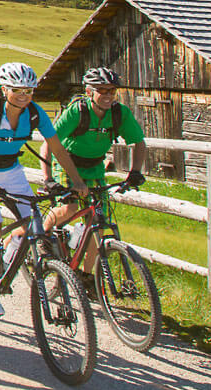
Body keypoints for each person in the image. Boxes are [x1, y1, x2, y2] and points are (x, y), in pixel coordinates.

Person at [0, 61, 86, 318]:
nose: (24, 96)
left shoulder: (35, 113)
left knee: (33, 221)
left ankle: (8, 253)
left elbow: (58, 149)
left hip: (11, 170)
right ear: (4, 89)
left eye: (29, 91)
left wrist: (77, 180)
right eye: (18, 90)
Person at [43, 67, 147, 279]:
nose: (108, 95)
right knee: (70, 207)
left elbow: (138, 142)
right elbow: (50, 142)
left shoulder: (119, 113)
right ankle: (43, 235)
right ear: (90, 92)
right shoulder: (77, 111)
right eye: (102, 90)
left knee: (98, 224)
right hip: (66, 164)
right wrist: (48, 178)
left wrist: (135, 171)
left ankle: (86, 275)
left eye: (111, 91)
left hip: (95, 167)